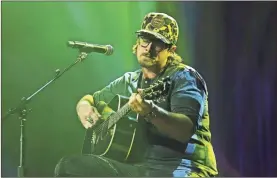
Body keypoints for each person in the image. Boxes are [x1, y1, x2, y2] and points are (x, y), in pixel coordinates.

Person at [54, 12, 218, 177]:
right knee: (70, 166)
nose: (149, 48)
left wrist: (150, 111)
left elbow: (184, 129)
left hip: (185, 167)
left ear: (171, 50)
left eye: (158, 43)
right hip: (141, 168)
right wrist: (83, 106)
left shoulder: (184, 77)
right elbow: (91, 99)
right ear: (137, 43)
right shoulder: (129, 81)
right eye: (145, 40)